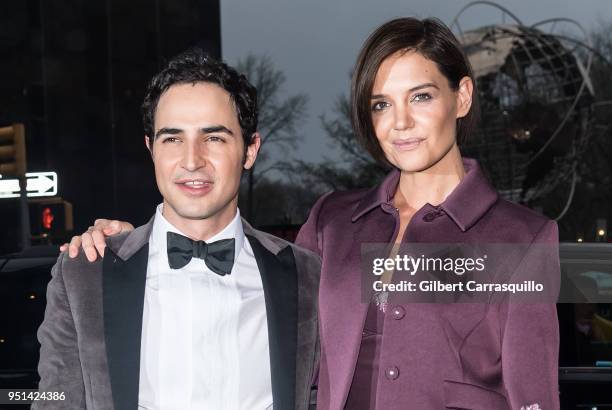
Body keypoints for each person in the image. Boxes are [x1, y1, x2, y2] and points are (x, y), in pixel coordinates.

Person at [66, 18, 561, 410]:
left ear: (463, 96)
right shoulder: (334, 221)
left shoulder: (522, 238)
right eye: (381, 104)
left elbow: (532, 396)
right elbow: (266, 301)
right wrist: (128, 242)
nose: (402, 122)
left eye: (422, 96)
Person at [36, 49, 320, 410]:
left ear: (250, 150)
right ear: (151, 148)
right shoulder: (84, 272)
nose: (191, 160)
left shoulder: (306, 275)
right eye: (172, 138)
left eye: (214, 138)